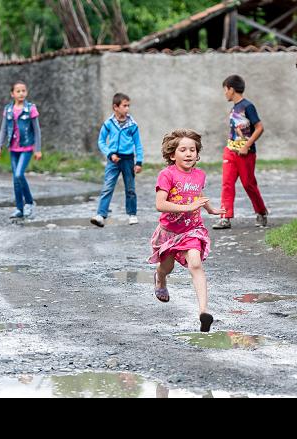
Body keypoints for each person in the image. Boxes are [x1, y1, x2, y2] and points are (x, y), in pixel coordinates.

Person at [149, 130, 225, 332]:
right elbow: (160, 204)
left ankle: (204, 312)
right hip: (169, 232)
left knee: (196, 264)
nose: (189, 153)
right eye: (183, 150)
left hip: (192, 229)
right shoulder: (167, 174)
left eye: (192, 149)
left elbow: (197, 192)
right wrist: (187, 208)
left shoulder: (200, 175)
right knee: (167, 268)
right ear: (173, 154)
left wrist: (210, 209)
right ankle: (160, 278)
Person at [213, 74, 269, 230]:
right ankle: (225, 217)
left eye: (225, 90)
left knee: (248, 184)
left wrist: (246, 145)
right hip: (230, 152)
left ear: (231, 89)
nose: (224, 93)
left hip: (246, 154)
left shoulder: (248, 107)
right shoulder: (233, 108)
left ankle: (261, 212)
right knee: (227, 184)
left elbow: (259, 128)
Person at [91, 92, 144, 227]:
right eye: (124, 106)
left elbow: (138, 144)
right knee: (107, 187)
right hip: (113, 160)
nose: (127, 109)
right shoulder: (108, 124)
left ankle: (132, 214)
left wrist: (139, 162)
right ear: (115, 107)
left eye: (128, 106)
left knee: (130, 188)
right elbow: (101, 141)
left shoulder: (132, 125)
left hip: (128, 159)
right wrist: (109, 154)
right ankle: (101, 215)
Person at [0, 81, 42, 220]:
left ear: (26, 92)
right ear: (12, 94)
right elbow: (3, 129)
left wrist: (37, 149)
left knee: (20, 174)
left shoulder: (31, 108)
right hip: (13, 149)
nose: (21, 93)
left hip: (26, 148)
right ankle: (19, 208)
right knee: (15, 179)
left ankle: (30, 203)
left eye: (23, 91)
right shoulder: (8, 109)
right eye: (18, 91)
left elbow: (37, 130)